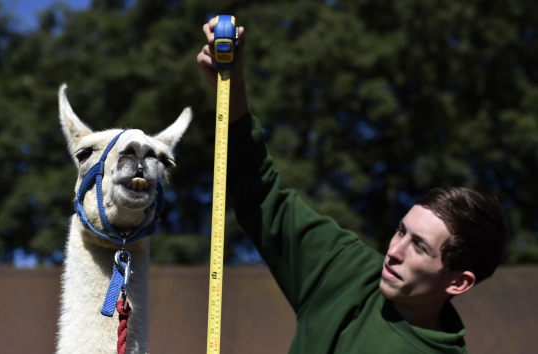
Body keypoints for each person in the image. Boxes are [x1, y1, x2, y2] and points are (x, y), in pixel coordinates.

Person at [197, 18, 508, 354]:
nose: (394, 252)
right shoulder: (348, 271)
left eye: (419, 246)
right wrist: (231, 89)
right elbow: (261, 194)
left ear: (458, 281)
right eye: (401, 231)